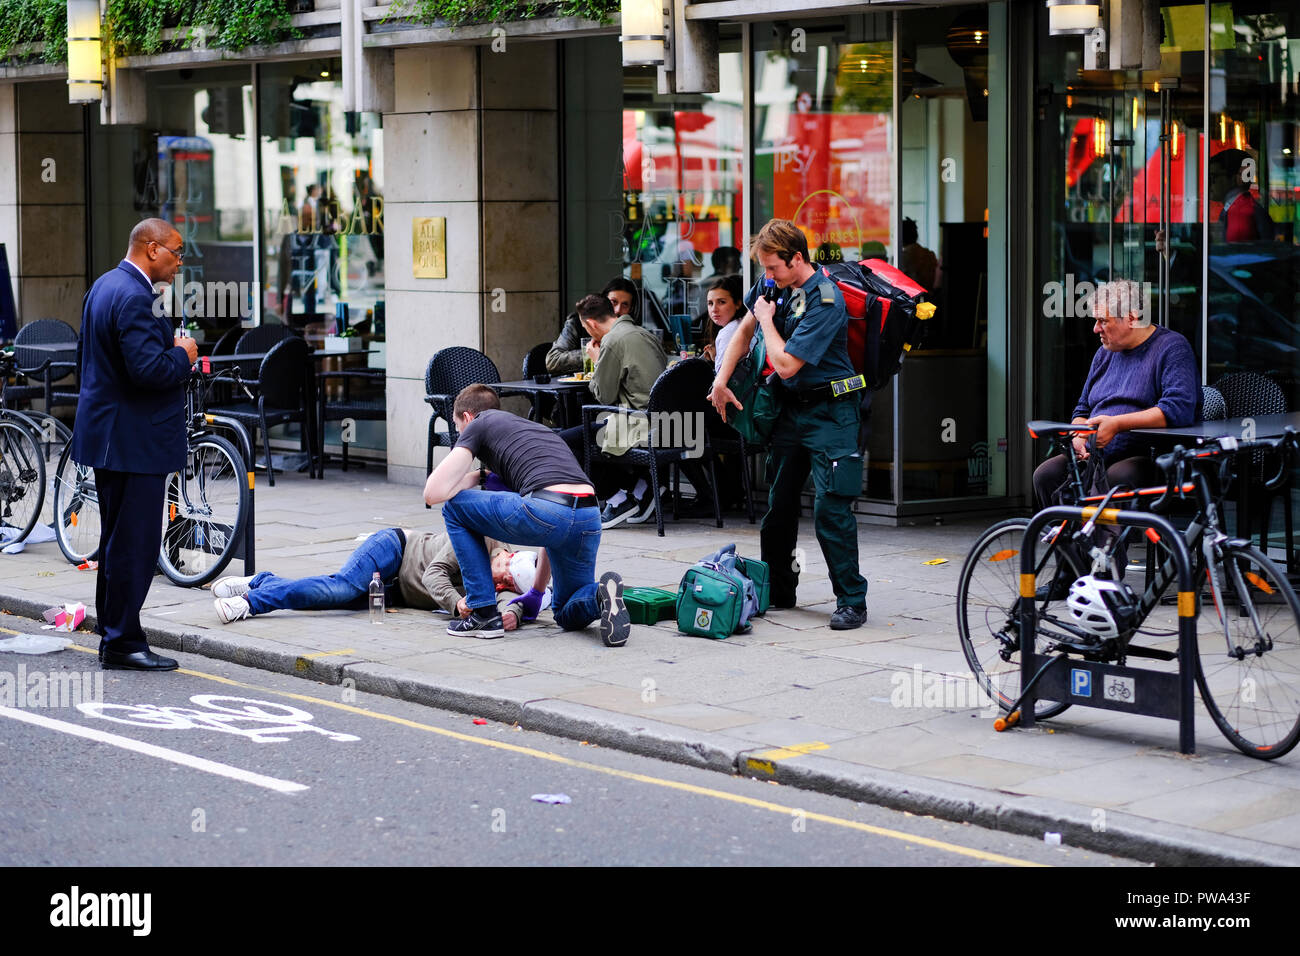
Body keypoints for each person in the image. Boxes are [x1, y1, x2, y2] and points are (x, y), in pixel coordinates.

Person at [708, 218, 868, 630]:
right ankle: (780, 589)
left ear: (797, 258)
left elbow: (785, 362)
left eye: (774, 268)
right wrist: (721, 382)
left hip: (832, 412)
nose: (768, 277)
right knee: (777, 506)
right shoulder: (772, 287)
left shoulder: (826, 300)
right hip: (791, 411)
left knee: (831, 509)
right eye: (764, 269)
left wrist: (765, 319)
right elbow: (743, 328)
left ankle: (851, 600)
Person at [71, 218, 198, 670]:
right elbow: (148, 372)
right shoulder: (136, 298)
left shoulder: (104, 286)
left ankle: (115, 636)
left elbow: (87, 361)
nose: (179, 261)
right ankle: (123, 642)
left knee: (117, 542)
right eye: (176, 252)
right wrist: (183, 354)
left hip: (110, 437)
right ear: (150, 248)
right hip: (134, 442)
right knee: (135, 545)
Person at [423, 384, 630, 646]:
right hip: (588, 514)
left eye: (458, 427)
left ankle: (483, 612)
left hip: (549, 509)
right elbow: (553, 530)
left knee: (455, 508)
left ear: (467, 417)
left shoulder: (478, 423)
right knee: (566, 612)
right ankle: (600, 596)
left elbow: (433, 493)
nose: (460, 434)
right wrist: (536, 593)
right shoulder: (536, 432)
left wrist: (472, 476)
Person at [1032, 279, 1199, 507]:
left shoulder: (1172, 348)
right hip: (1094, 456)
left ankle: (1108, 543)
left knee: (1119, 476)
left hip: (1150, 456)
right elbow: (1082, 408)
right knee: (1047, 474)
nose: (1095, 329)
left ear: (1131, 318)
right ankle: (1073, 542)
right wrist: (1079, 435)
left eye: (1103, 321)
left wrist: (1117, 424)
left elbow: (1178, 410)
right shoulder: (1104, 353)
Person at [210, 530, 547, 633]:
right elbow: (434, 575)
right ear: (507, 554)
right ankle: (251, 604)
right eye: (502, 573)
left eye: (505, 585)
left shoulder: (503, 582)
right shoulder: (480, 540)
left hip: (395, 591)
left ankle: (263, 581)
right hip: (394, 549)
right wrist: (457, 603)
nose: (498, 583)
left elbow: (514, 604)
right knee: (341, 588)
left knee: (329, 599)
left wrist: (514, 614)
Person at [558, 294, 668, 526]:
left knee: (565, 441)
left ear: (591, 324)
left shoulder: (612, 341)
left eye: (587, 328)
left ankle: (617, 499)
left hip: (638, 424)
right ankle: (642, 488)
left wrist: (597, 361)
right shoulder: (644, 333)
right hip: (669, 423)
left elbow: (603, 396)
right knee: (594, 430)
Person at [546, 277, 638, 375]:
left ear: (630, 309)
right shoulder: (577, 322)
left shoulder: (631, 332)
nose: (617, 310)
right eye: (613, 302)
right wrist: (591, 353)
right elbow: (553, 360)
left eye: (625, 305)